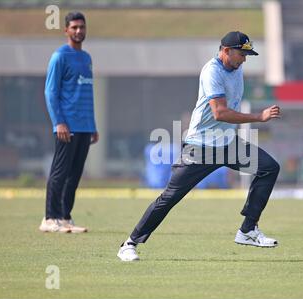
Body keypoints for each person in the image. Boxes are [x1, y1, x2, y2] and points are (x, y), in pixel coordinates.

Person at [118, 31, 281, 261]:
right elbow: (220, 112)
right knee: (170, 197)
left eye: (246, 55)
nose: (244, 59)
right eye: (241, 54)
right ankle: (129, 243)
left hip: (228, 144)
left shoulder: (237, 68)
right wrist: (259, 117)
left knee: (269, 167)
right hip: (200, 148)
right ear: (225, 51)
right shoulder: (212, 71)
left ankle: (248, 230)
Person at [39, 12, 99, 233]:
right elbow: (50, 92)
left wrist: (92, 125)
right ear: (66, 30)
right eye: (74, 27)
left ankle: (64, 217)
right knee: (60, 172)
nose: (78, 31)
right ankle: (49, 218)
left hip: (84, 126)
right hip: (67, 126)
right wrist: (59, 122)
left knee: (74, 174)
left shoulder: (86, 58)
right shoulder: (59, 57)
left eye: (81, 27)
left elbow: (88, 93)